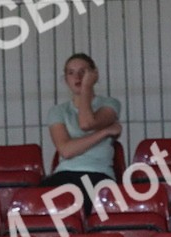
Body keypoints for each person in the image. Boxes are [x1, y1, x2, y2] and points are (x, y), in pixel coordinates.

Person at [40, 53, 123, 198]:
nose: (77, 77)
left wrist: (86, 88)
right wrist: (104, 132)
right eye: (71, 73)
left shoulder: (110, 104)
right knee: (36, 202)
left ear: (94, 75)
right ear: (65, 79)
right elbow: (66, 151)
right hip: (65, 174)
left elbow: (86, 123)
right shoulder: (57, 111)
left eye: (82, 72)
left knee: (81, 202)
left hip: (98, 174)